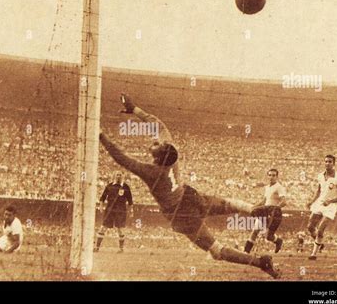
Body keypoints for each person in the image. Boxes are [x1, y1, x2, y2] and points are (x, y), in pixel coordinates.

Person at [98, 94, 280, 278]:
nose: (155, 142)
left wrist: (100, 136)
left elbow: (121, 157)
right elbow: (158, 125)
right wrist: (135, 110)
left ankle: (260, 262)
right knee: (227, 204)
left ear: (159, 157)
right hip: (191, 196)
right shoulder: (170, 151)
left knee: (216, 250)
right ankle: (254, 209)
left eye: (156, 145)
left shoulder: (151, 172)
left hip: (181, 214)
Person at [306, 155, 337, 260]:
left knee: (320, 230)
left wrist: (330, 201)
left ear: (334, 163)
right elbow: (319, 191)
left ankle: (313, 254)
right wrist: (311, 201)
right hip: (320, 203)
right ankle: (319, 243)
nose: (327, 163)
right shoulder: (320, 176)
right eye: (326, 161)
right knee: (310, 227)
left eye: (330, 161)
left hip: (330, 206)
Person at [244, 169, 285, 254]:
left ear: (277, 177)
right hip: (265, 212)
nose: (271, 177)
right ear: (267, 176)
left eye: (273, 175)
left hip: (273, 214)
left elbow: (284, 201)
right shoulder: (267, 187)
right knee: (255, 231)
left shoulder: (279, 187)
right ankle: (246, 251)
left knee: (268, 236)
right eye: (269, 175)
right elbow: (265, 200)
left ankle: (278, 241)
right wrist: (255, 206)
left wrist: (275, 209)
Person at [94, 171, 133, 253]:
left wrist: (131, 211)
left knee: (120, 229)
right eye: (117, 174)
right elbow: (102, 198)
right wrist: (101, 207)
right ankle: (97, 247)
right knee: (103, 228)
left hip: (121, 210)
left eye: (120, 175)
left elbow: (130, 201)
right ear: (114, 176)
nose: (118, 176)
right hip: (110, 210)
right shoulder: (109, 186)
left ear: (122, 176)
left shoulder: (125, 187)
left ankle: (121, 249)